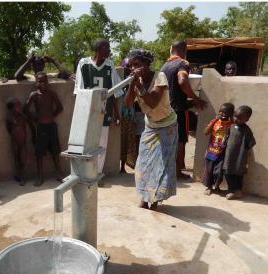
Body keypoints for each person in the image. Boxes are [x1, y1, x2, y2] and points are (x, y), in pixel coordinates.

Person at [125, 49, 178, 211]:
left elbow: (153, 102)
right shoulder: (136, 81)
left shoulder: (159, 77)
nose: (134, 68)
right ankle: (144, 196)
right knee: (143, 163)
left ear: (147, 64)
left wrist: (139, 86)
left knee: (161, 165)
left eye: (137, 64)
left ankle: (154, 200)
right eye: (131, 66)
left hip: (167, 126)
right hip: (150, 125)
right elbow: (127, 103)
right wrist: (133, 84)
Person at [74, 38, 123, 183]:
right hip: (88, 111)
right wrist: (80, 114)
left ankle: (97, 174)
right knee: (86, 144)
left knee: (102, 144)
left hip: (104, 111)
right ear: (99, 49)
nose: (109, 50)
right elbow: (80, 91)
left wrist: (116, 113)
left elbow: (114, 91)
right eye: (107, 48)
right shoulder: (83, 64)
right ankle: (85, 172)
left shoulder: (109, 66)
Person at [160, 40, 206, 179]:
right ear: (184, 50)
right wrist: (195, 98)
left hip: (165, 109)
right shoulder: (182, 63)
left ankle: (168, 169)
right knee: (181, 140)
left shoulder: (165, 65)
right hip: (179, 109)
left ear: (171, 49)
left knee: (167, 139)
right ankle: (178, 171)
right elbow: (182, 81)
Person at [24, 71, 64, 186]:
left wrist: (52, 116)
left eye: (44, 81)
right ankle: (40, 176)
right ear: (36, 82)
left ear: (47, 81)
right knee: (39, 153)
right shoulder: (34, 95)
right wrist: (35, 119)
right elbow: (26, 109)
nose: (43, 83)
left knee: (55, 152)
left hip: (51, 126)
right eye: (40, 81)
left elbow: (60, 107)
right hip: (41, 127)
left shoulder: (51, 93)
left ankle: (59, 174)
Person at [223, 105, 256, 200]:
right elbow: (226, 137)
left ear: (247, 119)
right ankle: (231, 190)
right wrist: (223, 145)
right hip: (229, 155)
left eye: (240, 118)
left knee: (238, 174)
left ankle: (237, 190)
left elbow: (252, 142)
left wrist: (245, 148)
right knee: (227, 172)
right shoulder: (231, 127)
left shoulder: (247, 130)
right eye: (235, 116)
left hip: (240, 157)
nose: (236, 119)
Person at [203, 103, 234, 195]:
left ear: (230, 114)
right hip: (211, 151)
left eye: (225, 112)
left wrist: (231, 119)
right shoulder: (215, 121)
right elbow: (206, 132)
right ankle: (208, 187)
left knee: (219, 171)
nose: (222, 114)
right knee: (209, 170)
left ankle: (216, 187)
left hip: (222, 152)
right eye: (220, 111)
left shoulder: (231, 124)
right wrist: (214, 121)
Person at [6, 97, 29, 186]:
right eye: (17, 106)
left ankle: (23, 177)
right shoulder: (9, 118)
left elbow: (28, 126)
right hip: (14, 141)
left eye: (20, 105)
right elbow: (8, 128)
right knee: (16, 159)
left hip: (22, 142)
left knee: (22, 160)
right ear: (12, 108)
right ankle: (18, 175)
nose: (20, 107)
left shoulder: (22, 116)